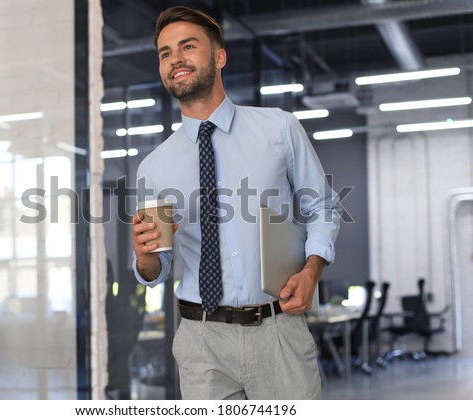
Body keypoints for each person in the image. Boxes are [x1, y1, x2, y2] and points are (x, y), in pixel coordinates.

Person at [131, 6, 342, 400]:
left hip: (278, 330)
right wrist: (144, 259)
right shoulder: (154, 167)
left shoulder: (278, 128)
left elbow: (323, 209)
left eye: (188, 46)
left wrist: (312, 271)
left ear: (220, 56)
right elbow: (155, 266)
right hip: (200, 341)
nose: (175, 58)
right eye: (165, 52)